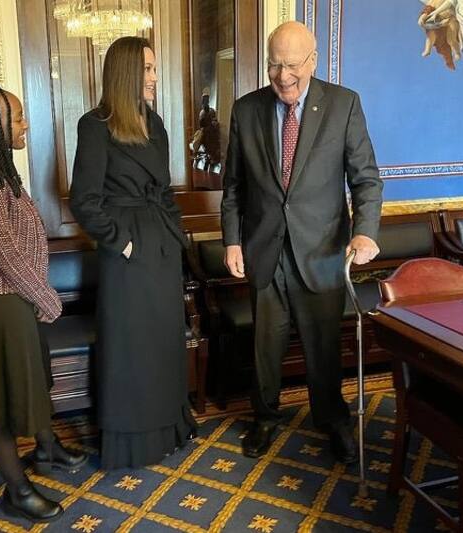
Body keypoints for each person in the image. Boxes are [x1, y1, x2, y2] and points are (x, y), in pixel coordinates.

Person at [220, 22, 383, 462]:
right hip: (264, 249)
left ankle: (332, 419)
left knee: (323, 346)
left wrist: (365, 230)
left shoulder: (343, 104)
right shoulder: (246, 110)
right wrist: (232, 241)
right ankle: (265, 417)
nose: (283, 75)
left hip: (322, 250)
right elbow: (234, 186)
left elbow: (366, 179)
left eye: (292, 65)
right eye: (274, 65)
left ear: (313, 61)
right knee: (265, 347)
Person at [0, 85, 87, 522]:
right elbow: (3, 250)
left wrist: (34, 295)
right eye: (17, 117)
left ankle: (46, 449)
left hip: (16, 296)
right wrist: (46, 296)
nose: (25, 124)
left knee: (34, 378)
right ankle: (18, 490)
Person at [70, 37, 197, 470]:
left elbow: (164, 189)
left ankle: (170, 428)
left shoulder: (154, 121)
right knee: (132, 347)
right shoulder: (95, 125)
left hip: (161, 246)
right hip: (126, 252)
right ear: (125, 72)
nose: (154, 77)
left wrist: (176, 235)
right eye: (147, 69)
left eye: (155, 68)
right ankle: (134, 443)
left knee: (163, 342)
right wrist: (120, 241)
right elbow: (84, 200)